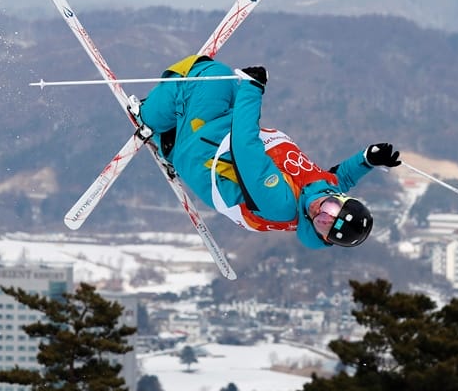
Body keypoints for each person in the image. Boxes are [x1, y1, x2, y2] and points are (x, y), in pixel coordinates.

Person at [129, 55, 401, 249]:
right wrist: (367, 160)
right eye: (330, 209)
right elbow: (338, 179)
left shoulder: (280, 205)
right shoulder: (319, 191)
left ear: (320, 236)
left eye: (322, 224)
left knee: (210, 75)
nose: (320, 212)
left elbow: (245, 148)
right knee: (225, 89)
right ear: (339, 198)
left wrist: (253, 89)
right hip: (220, 140)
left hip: (204, 153)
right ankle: (175, 124)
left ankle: (150, 118)